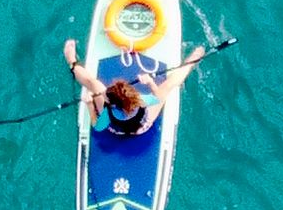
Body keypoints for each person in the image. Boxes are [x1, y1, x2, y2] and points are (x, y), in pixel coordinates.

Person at [60, 36, 215, 139]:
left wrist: (89, 105)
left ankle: (72, 62)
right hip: (142, 127)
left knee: (94, 84)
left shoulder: (108, 112)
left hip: (116, 129)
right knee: (168, 85)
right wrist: (149, 82)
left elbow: (97, 126)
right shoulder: (142, 101)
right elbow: (158, 95)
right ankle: (195, 57)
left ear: (109, 99)